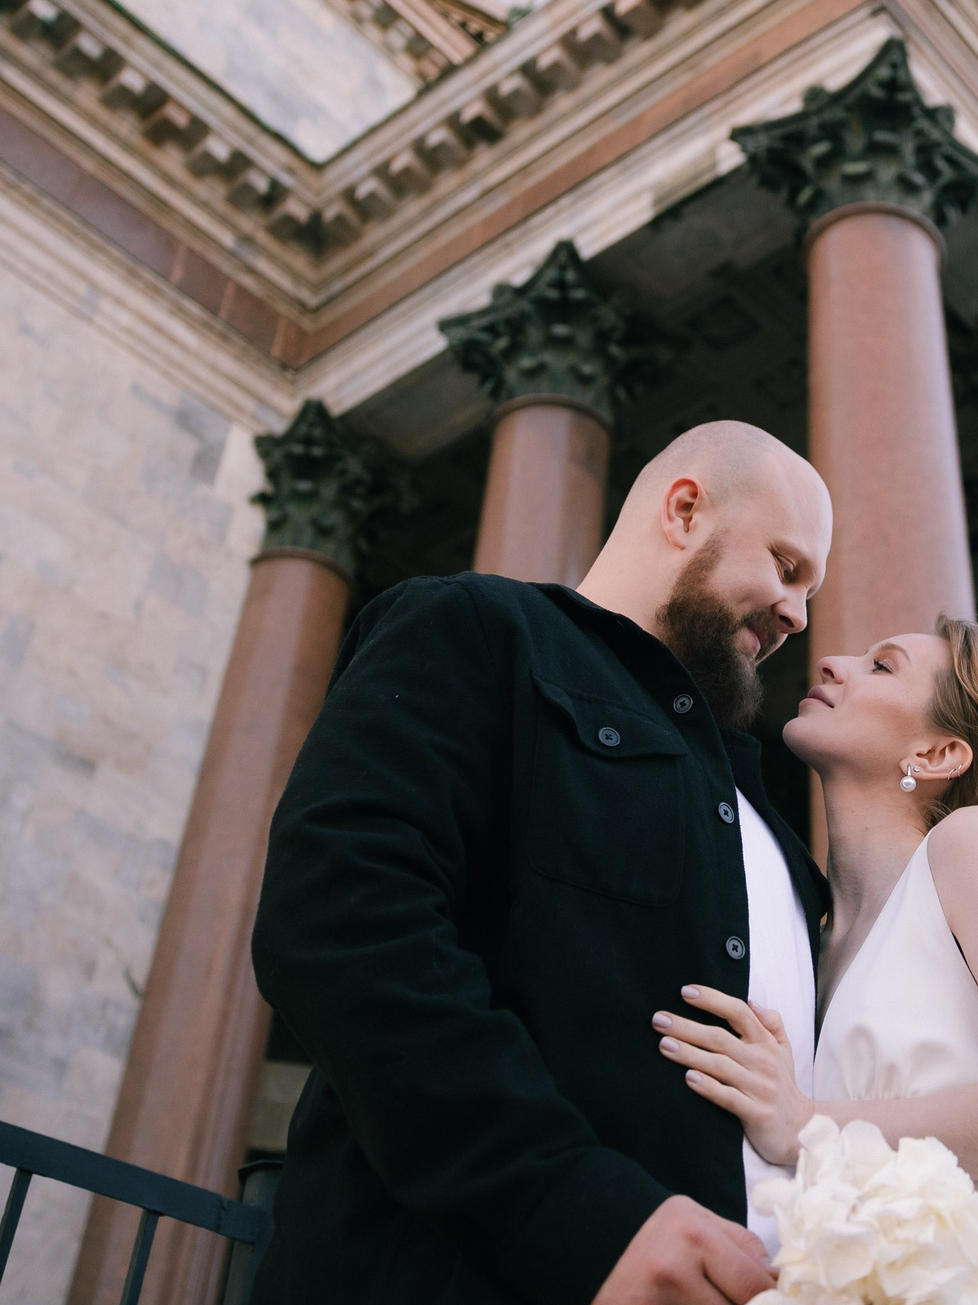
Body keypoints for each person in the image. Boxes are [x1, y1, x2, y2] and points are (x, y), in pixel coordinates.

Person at [249, 420, 833, 1305]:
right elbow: (340, 924)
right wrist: (579, 1211)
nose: (799, 612)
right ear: (683, 511)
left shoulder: (771, 825)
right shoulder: (477, 630)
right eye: (787, 567)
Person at [653, 618, 978, 1305]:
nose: (833, 662)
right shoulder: (805, 934)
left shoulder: (968, 844)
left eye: (882, 666)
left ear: (937, 752)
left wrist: (811, 1122)